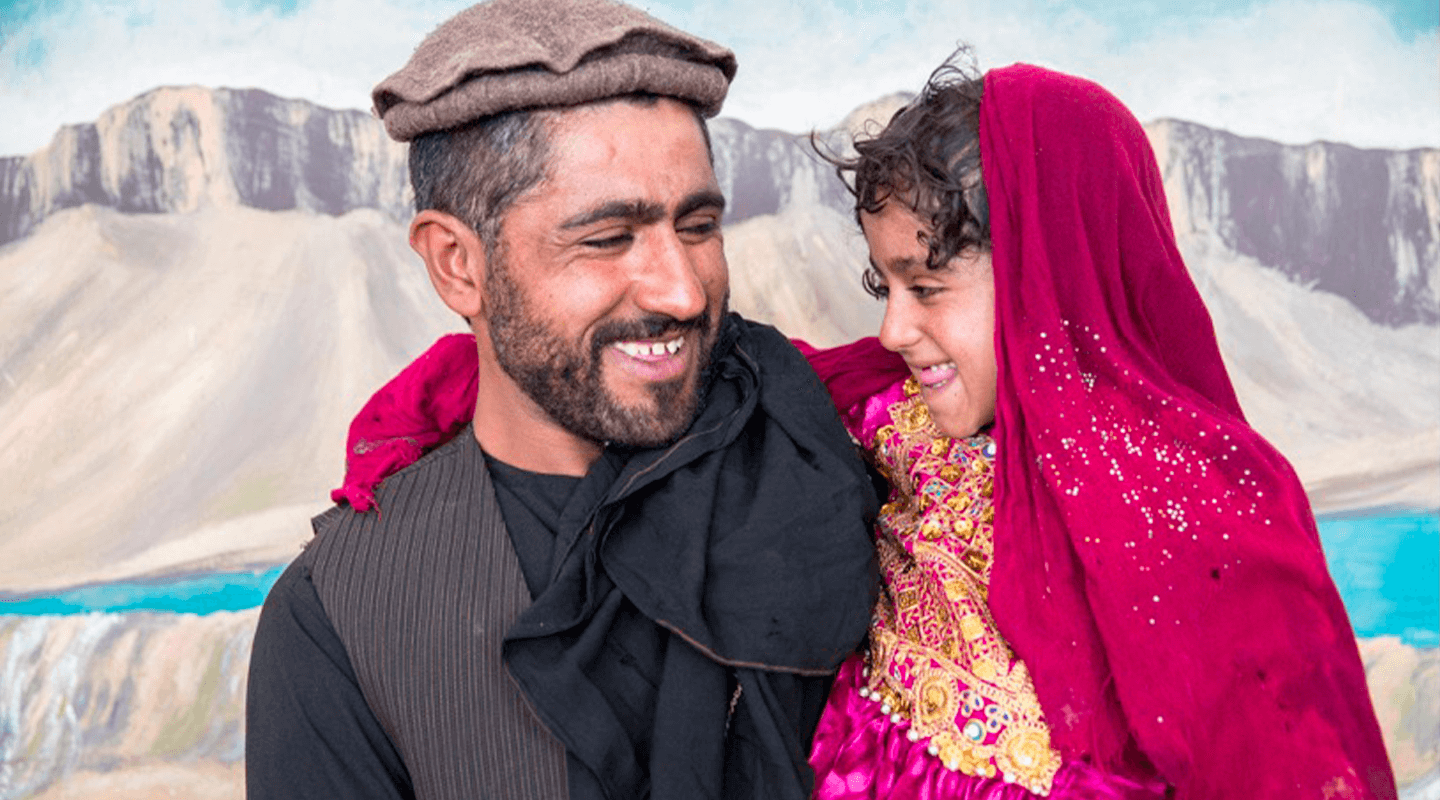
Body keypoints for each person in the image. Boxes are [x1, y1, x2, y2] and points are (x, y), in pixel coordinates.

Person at [325, 57, 1399, 800]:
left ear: (1047, 278)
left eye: (928, 286)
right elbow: (654, 361)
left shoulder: (1204, 515)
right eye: (882, 283)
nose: (893, 328)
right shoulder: (879, 417)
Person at [243, 1, 878, 798]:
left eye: (699, 225)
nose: (682, 292)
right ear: (457, 266)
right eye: (607, 239)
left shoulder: (841, 482)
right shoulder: (341, 616)